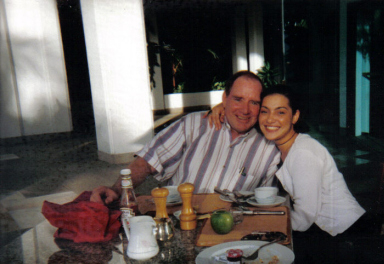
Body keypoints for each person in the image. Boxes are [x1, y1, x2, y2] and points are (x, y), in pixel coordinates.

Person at [90, 71, 280, 205]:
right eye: (238, 99)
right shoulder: (194, 124)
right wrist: (117, 190)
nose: (245, 110)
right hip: (178, 221)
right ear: (224, 99)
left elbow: (265, 203)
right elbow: (147, 162)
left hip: (229, 231)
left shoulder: (269, 150)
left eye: (254, 102)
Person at [208, 84, 365, 236]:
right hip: (322, 228)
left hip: (344, 233)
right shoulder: (281, 144)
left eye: (280, 112)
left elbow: (304, 218)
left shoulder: (303, 153)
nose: (270, 120)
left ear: (295, 116)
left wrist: (262, 223)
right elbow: (247, 116)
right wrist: (222, 108)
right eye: (265, 111)